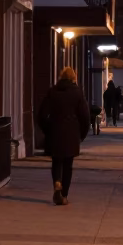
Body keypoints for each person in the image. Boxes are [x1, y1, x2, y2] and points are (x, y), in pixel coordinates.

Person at [36, 66, 89, 205]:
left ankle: (57, 183)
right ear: (73, 78)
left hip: (55, 133)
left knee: (56, 162)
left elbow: (41, 115)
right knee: (68, 164)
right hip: (71, 134)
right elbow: (84, 116)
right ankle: (64, 195)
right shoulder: (77, 93)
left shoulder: (52, 92)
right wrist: (81, 135)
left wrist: (48, 130)